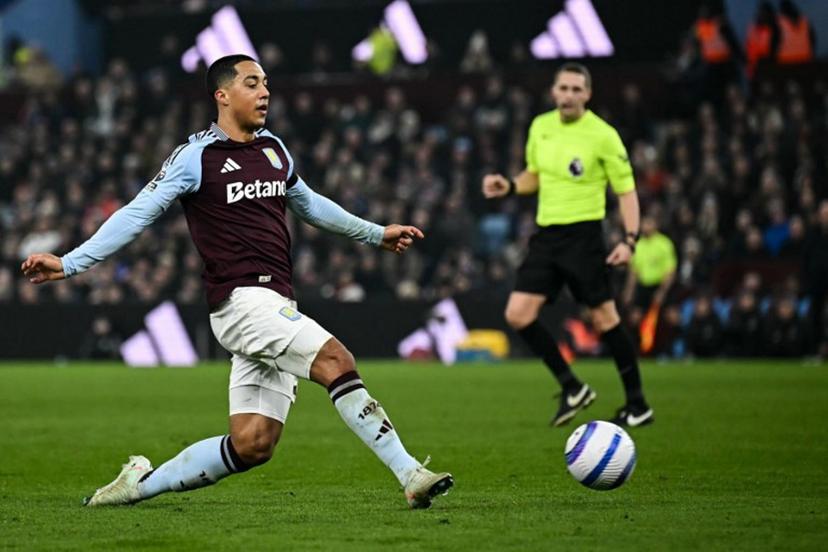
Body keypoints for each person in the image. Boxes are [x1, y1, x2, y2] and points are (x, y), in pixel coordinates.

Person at [21, 55, 453, 509]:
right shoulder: (196, 157)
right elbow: (136, 213)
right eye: (252, 83)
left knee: (252, 444)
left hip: (276, 302)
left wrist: (375, 233)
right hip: (241, 303)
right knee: (335, 359)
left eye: (266, 82)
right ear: (222, 96)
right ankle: (410, 472)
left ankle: (137, 485)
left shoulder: (273, 149)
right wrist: (70, 263)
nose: (265, 92)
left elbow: (310, 204)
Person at [481, 62, 653, 428]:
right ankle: (572, 387)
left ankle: (638, 404)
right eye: (564, 88)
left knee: (605, 319)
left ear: (588, 95)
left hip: (584, 236)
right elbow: (535, 176)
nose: (569, 95)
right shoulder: (541, 127)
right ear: (554, 91)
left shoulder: (603, 135)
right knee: (517, 314)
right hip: (547, 237)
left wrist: (630, 240)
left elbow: (626, 192)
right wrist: (510, 185)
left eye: (577, 89)